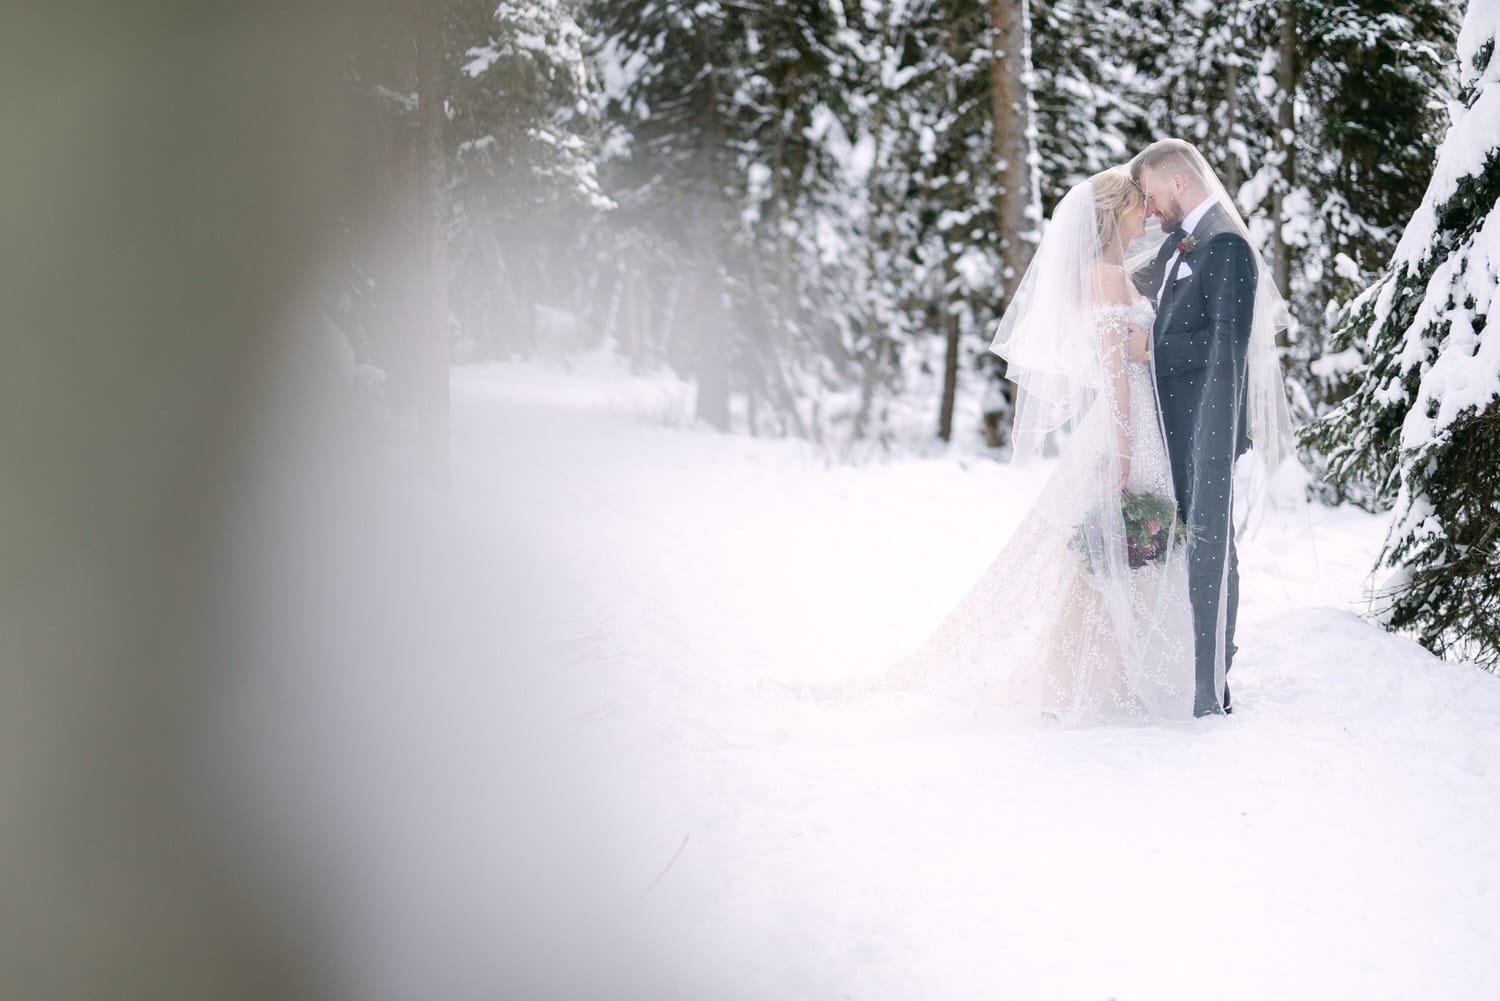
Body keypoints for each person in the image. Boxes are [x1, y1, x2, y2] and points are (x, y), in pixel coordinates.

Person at [888, 168, 1197, 724]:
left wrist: (1148, 347)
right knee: (1115, 561)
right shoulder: (1103, 274)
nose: (1147, 213)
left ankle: (1111, 674)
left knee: (1126, 561)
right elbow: (1113, 371)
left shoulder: (1115, 270)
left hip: (1140, 424)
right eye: (1137, 206)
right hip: (1127, 429)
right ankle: (1090, 680)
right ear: (1112, 215)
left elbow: (1132, 350)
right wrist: (1124, 454)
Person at [1129, 138, 1294, 716]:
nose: (1148, 210)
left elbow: (1227, 346)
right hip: (1179, 420)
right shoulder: (1183, 242)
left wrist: (1150, 348)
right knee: (1196, 548)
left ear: (1179, 182)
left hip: (1208, 422)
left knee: (1210, 551)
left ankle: (1209, 688)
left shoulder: (1225, 244)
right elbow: (1139, 290)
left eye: (1150, 195)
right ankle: (1191, 674)